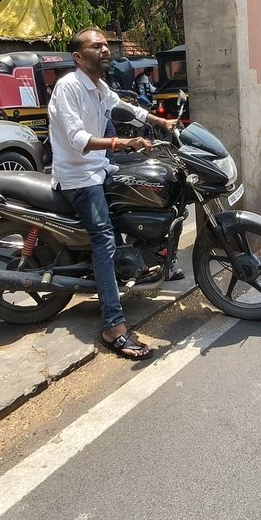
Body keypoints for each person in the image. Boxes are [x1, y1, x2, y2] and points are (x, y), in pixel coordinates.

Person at [48, 29, 178, 361]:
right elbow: (78, 139)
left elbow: (125, 107)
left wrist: (162, 122)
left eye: (106, 45)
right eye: (97, 46)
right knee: (104, 238)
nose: (105, 49)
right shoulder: (69, 87)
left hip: (100, 167)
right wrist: (123, 143)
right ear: (78, 57)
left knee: (143, 191)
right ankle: (113, 326)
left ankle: (150, 263)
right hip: (78, 176)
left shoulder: (99, 87)